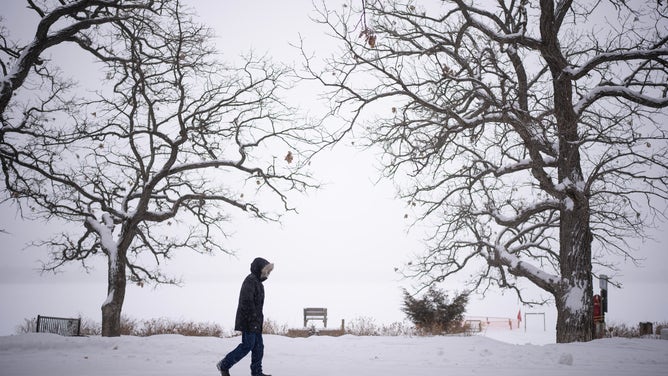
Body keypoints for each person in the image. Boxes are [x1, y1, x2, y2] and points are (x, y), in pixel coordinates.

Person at [217, 257, 274, 376]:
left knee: (259, 348)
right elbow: (246, 302)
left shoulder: (258, 283)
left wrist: (258, 321)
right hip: (249, 321)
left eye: (269, 272)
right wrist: (253, 319)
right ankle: (224, 365)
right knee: (247, 346)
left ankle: (257, 372)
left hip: (256, 322)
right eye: (266, 271)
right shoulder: (250, 281)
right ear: (259, 269)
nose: (268, 274)